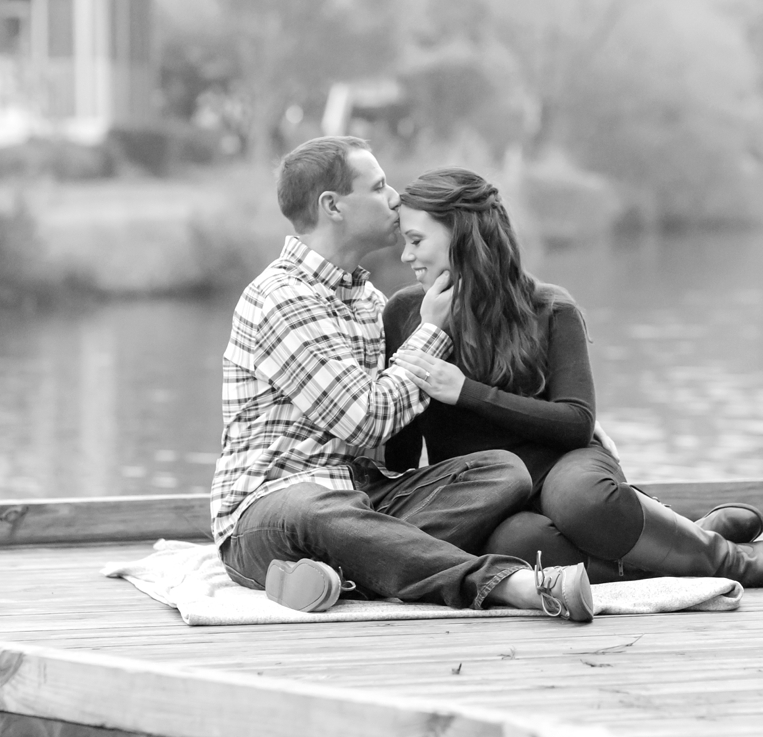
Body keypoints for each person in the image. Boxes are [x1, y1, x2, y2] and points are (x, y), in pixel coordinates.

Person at [381, 167, 763, 588]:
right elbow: (401, 459)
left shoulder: (550, 308)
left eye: (417, 241)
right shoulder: (405, 314)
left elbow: (576, 422)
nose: (407, 256)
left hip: (564, 466)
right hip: (492, 492)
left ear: (460, 233)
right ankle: (683, 539)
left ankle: (734, 563)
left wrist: (467, 393)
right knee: (513, 547)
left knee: (583, 502)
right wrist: (427, 337)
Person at [212, 137, 592, 622]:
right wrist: (431, 331)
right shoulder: (282, 299)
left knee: (502, 471)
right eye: (377, 187)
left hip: (364, 498)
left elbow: (419, 412)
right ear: (333, 206)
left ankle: (341, 576)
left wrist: (576, 424)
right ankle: (509, 584)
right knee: (316, 509)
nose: (394, 198)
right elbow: (366, 422)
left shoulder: (369, 302)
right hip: (271, 510)